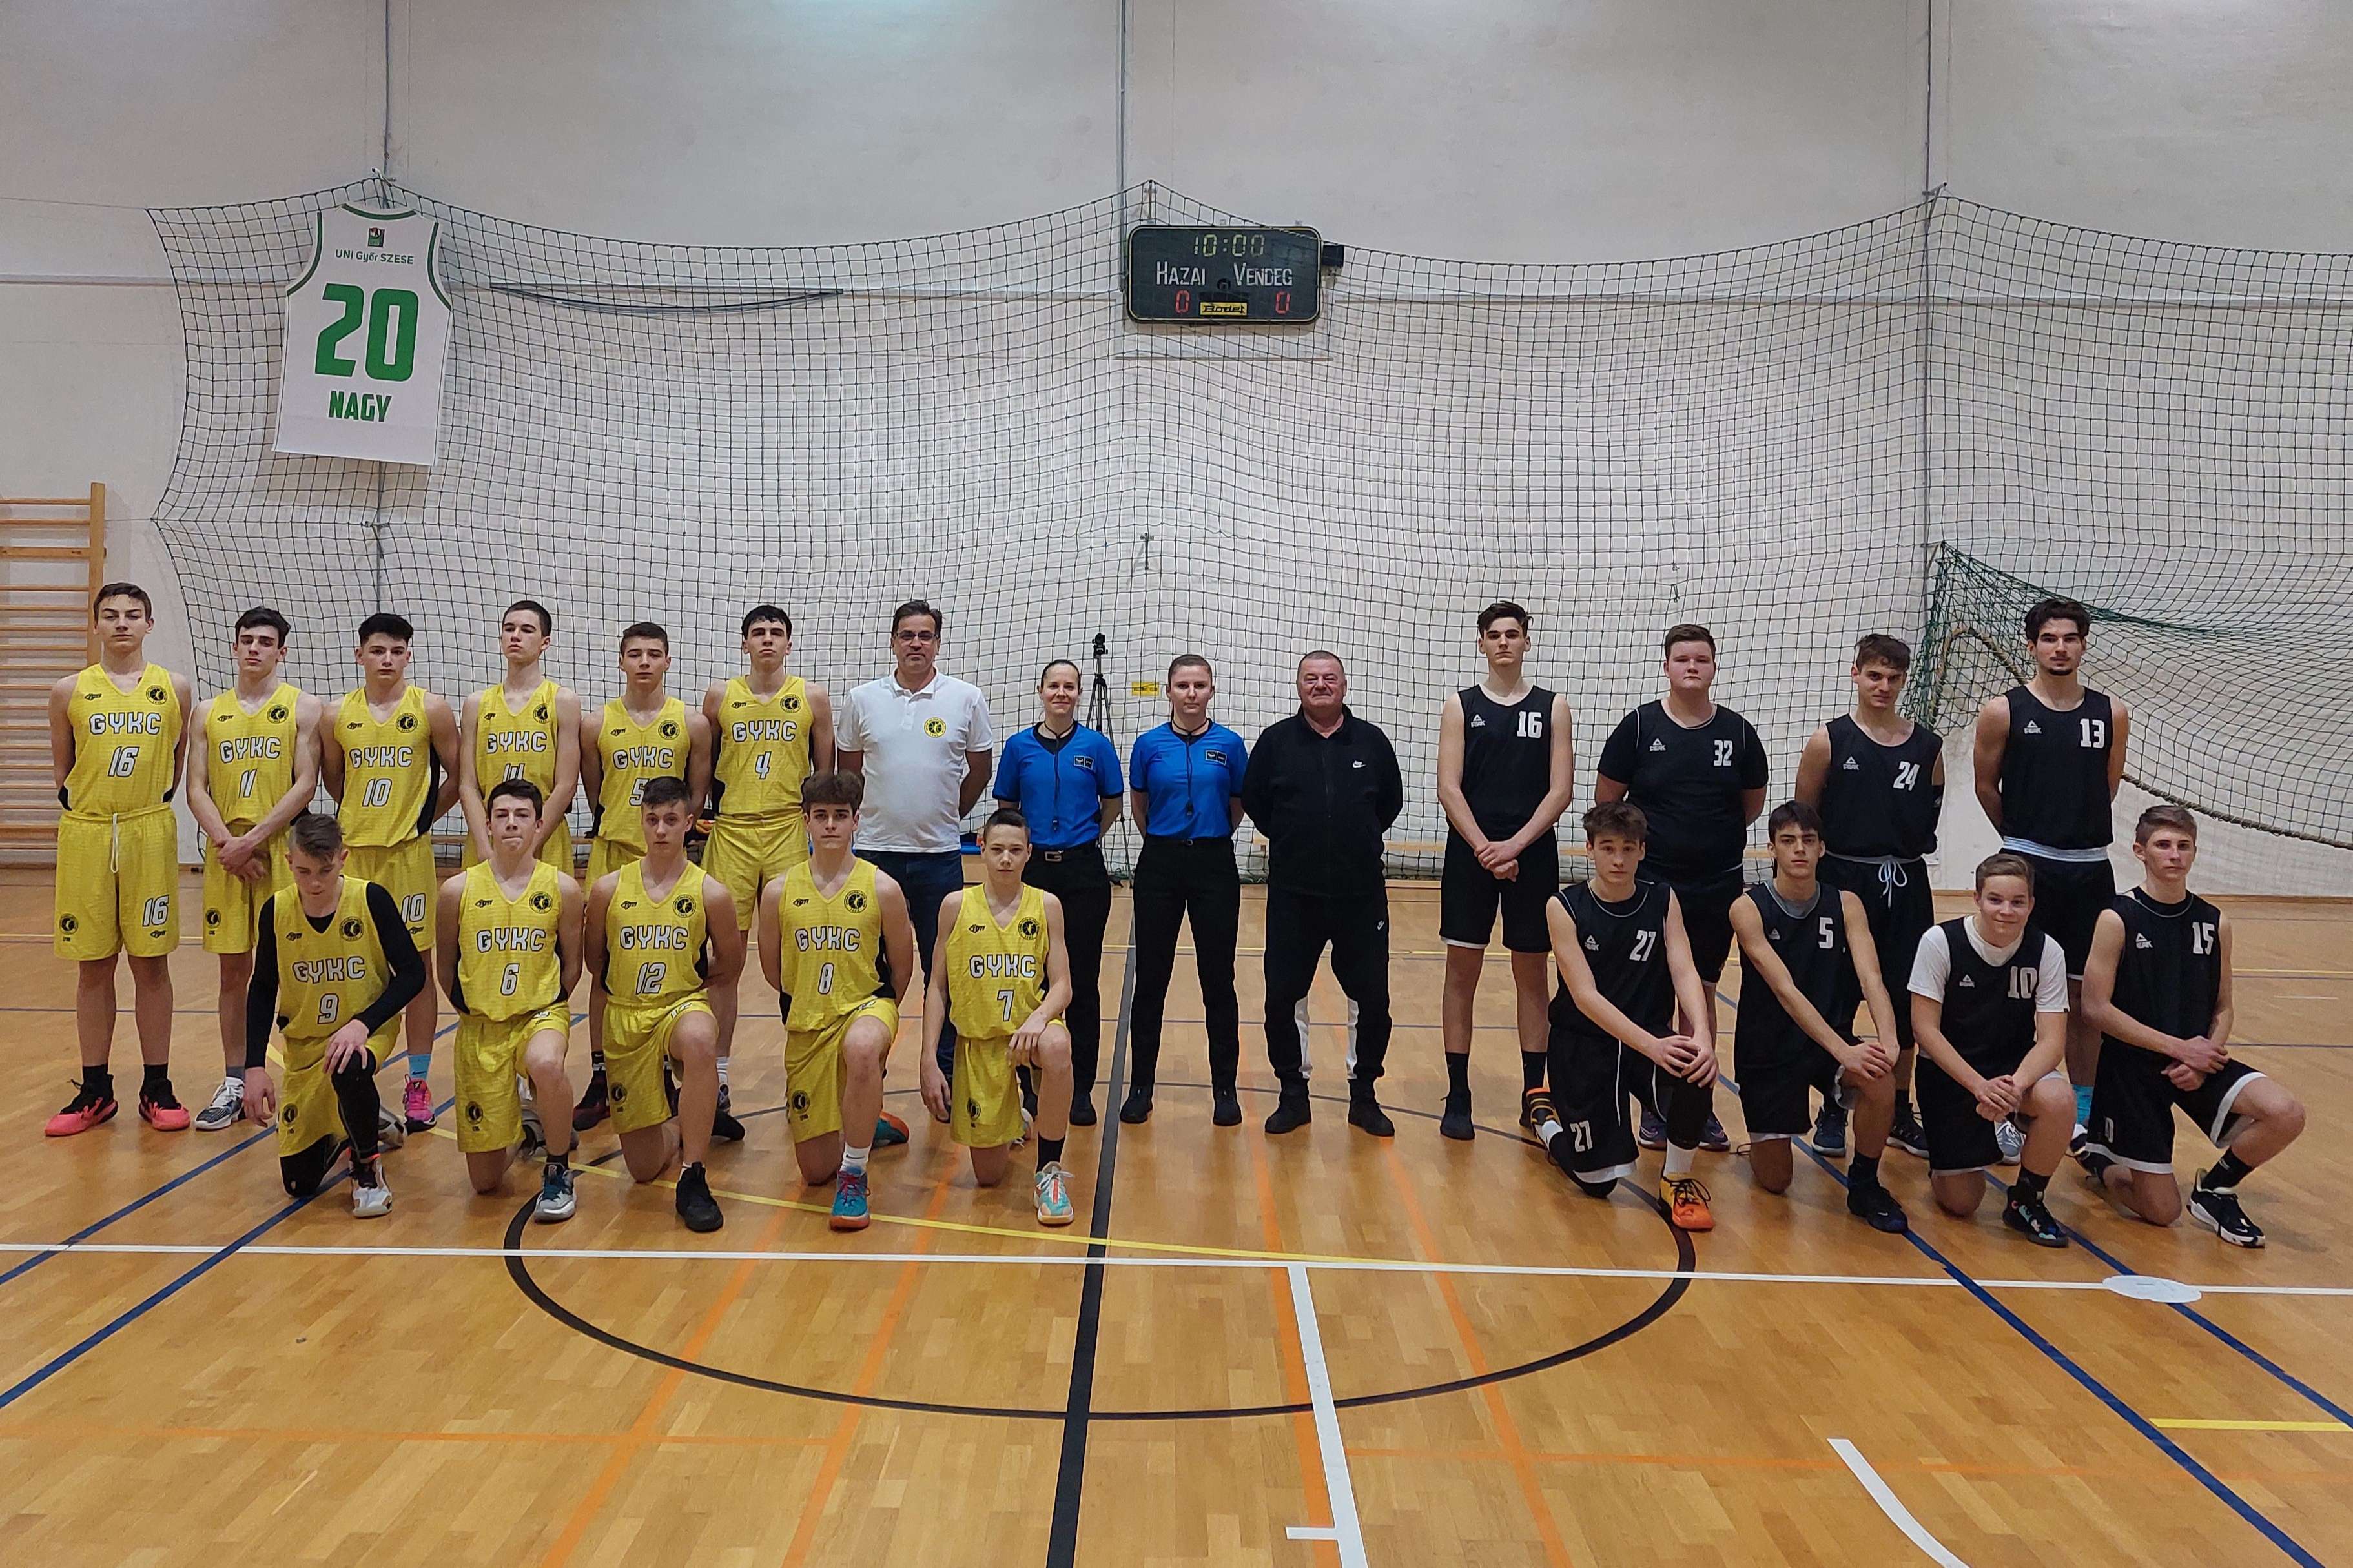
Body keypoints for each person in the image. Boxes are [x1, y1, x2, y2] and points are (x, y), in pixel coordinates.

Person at [2077, 806, 2305, 1247]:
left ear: (2195, 853)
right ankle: (2101, 1162)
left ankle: (2214, 1189)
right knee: (2162, 1212)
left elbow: (2223, 1007)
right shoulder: (2117, 917)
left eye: (2184, 846)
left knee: (2286, 1113)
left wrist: (2204, 1057)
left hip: (2197, 1061)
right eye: (2163, 845)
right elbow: (2095, 1009)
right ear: (2140, 851)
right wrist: (2180, 1049)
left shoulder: (2215, 921)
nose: (2174, 855)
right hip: (2133, 1069)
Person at [1595, 624, 1766, 1155]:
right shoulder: (1639, 727)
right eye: (1683, 659)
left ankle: (1696, 1104)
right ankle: (1653, 1101)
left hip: (1716, 884)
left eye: (1702, 659)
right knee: (1652, 994)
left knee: (1701, 993)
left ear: (1714, 667)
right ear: (1666, 666)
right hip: (1652, 884)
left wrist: (1707, 841)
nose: (1692, 667)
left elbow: (1751, 804)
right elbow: (1608, 802)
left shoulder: (1738, 733)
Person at [1972, 596, 2129, 1131]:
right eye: (2049, 639)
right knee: (2017, 988)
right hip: (2028, 863)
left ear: (2083, 645)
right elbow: (1986, 786)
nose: (2059, 648)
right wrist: (2020, 842)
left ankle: (2083, 1113)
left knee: (2085, 997)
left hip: (2090, 869)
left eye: (2069, 638)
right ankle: (2009, 1103)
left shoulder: (2111, 712)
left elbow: (2106, 786)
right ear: (2031, 645)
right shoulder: (2004, 710)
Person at [46, 582, 196, 1137]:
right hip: (88, 835)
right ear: (96, 625)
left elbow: (177, 760)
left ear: (149, 624)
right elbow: (63, 771)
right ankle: (95, 1089)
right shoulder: (69, 691)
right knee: (93, 965)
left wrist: (145, 807)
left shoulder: (174, 688)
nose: (122, 623)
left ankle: (157, 1085)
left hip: (146, 832)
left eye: (133, 614)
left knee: (151, 964)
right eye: (110, 615)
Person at [1242, 651, 1403, 1137]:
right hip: (1294, 894)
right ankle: (1293, 1094)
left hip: (1361, 895)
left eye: (1329, 678)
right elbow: (1257, 803)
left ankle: (1364, 1095)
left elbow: (1389, 804)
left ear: (1344, 685)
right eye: (1311, 678)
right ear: (1299, 686)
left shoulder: (1372, 742)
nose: (1320, 685)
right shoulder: (1275, 742)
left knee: (1371, 999)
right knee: (1283, 997)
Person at [1793, 633, 1941, 1161]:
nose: (1883, 686)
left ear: (1904, 681)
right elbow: (1804, 817)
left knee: (1906, 998)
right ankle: (1835, 1102)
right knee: (1837, 994)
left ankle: (1899, 1108)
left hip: (1906, 883)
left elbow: (1929, 817)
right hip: (1842, 879)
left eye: (1893, 677)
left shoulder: (1928, 747)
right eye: (1874, 675)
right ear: (1855, 674)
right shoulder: (1828, 741)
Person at [1727, 802, 1908, 1232]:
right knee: (1777, 1181)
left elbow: (1872, 977)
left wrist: (1889, 1040)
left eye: (1808, 841)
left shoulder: (1846, 904)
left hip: (1828, 1042)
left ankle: (1864, 1183)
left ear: (1822, 848)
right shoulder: (1747, 908)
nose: (1799, 850)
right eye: (1788, 841)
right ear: (1771, 849)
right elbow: (1786, 991)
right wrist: (1844, 1050)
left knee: (1881, 1076)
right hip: (1768, 1051)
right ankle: (1759, 1143)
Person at [837, 599, 994, 1085]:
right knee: (868, 968)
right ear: (893, 641)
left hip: (939, 857)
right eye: (907, 635)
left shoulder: (966, 698)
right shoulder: (862, 699)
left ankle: (943, 1071)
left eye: (926, 636)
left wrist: (948, 815)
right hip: (874, 856)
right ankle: (866, 1072)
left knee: (941, 967)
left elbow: (980, 769)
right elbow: (849, 771)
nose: (916, 644)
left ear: (938, 643)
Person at [1435, 600, 1575, 1141]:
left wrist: (1514, 846)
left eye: (1512, 634)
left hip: (1532, 854)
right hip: (1471, 855)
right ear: (1481, 643)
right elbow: (1449, 787)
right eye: (1494, 635)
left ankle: (1534, 1093)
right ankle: (1459, 1093)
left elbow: (1560, 790)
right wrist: (1485, 848)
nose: (1503, 643)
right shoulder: (1460, 705)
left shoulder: (1553, 706)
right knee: (1461, 974)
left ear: (1526, 642)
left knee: (1532, 975)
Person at [182, 608, 324, 1132]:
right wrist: (228, 843)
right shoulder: (207, 712)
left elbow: (306, 783)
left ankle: (308, 1079)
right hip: (227, 854)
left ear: (282, 651)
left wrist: (253, 840)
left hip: (280, 851)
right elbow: (195, 787)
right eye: (247, 640)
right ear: (235, 646)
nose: (255, 649)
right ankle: (235, 1080)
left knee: (295, 967)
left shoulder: (303, 708)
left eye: (266, 642)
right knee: (231, 971)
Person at [757, 771, 919, 1231]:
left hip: (865, 1007)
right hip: (809, 1020)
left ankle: (855, 1173)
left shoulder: (883, 888)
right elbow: (773, 969)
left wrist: (878, 1015)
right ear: (805, 821)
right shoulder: (778, 891)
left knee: (862, 1047)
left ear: (856, 821)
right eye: (822, 815)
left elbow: (902, 969)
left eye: (841, 816)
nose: (831, 825)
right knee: (814, 1171)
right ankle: (866, 1118)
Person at [238, 811, 421, 1215]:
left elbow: (413, 974)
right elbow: (263, 987)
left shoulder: (371, 899)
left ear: (343, 858)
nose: (315, 883)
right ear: (289, 862)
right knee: (298, 1184)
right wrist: (253, 1067)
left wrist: (363, 1023)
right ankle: (360, 1118)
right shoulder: (276, 910)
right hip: (306, 1044)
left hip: (365, 1030)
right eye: (303, 872)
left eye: (325, 870)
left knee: (348, 1065)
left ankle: (367, 1166)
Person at [323, 612, 460, 1131]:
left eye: (396, 651)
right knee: (354, 965)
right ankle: (356, 1078)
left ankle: (418, 1081)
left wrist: (422, 818)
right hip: (355, 858)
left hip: (408, 856)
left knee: (416, 966)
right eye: (377, 650)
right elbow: (336, 780)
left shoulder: (431, 709)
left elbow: (458, 773)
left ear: (408, 655)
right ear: (359, 655)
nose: (387, 659)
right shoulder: (337, 714)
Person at [573, 621, 713, 1132]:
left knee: (674, 964)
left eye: (654, 654)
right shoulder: (596, 724)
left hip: (670, 861)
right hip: (615, 853)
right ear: (621, 661)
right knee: (606, 969)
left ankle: (671, 1072)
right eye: (635, 654)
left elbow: (695, 793)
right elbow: (596, 790)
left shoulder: (692, 723)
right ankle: (601, 1073)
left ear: (668, 661)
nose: (645, 662)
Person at [581, 776, 736, 1232]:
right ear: (642, 822)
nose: (662, 829)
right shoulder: (608, 889)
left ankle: (694, 1174)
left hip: (679, 1005)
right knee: (644, 1168)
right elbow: (596, 962)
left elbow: (729, 962)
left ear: (689, 822)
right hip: (627, 1015)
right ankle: (691, 1120)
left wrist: (689, 980)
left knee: (700, 1038)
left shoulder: (711, 892)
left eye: (671, 819)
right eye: (653, 820)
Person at [701, 604, 832, 1141]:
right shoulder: (719, 697)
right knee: (723, 962)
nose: (768, 640)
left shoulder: (812, 697)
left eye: (777, 632)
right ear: (744, 643)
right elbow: (704, 765)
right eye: (758, 632)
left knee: (799, 958)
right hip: (732, 831)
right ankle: (717, 1078)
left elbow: (825, 774)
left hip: (786, 829)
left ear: (789, 643)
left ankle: (810, 1072)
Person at [921, 806, 1080, 1225]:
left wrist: (1039, 1018)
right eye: (997, 850)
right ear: (981, 848)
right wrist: (927, 1058)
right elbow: (937, 987)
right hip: (979, 1043)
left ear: (1029, 852)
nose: (1006, 858)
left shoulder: (1046, 905)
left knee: (1058, 1044)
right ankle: (1018, 1117)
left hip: (1029, 1037)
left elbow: (1063, 986)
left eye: (1015, 850)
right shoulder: (956, 906)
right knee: (989, 1177)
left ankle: (1049, 1174)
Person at [435, 779, 583, 1223]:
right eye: (502, 815)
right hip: (483, 1026)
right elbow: (446, 968)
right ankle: (528, 1130)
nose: (512, 823)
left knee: (546, 1063)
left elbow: (572, 965)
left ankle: (558, 1169)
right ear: (487, 825)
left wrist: (547, 1003)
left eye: (522, 815)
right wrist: (475, 1007)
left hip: (540, 1015)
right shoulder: (457, 891)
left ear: (539, 825)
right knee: (485, 1182)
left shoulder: (563, 888)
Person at [1907, 853, 2072, 1247]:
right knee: (1962, 1202)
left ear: (2031, 904)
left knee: (2059, 1099)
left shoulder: (2047, 950)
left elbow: (2052, 1041)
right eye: (1996, 899)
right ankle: (1958, 1151)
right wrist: (1979, 1087)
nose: (2006, 911)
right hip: (1952, 1075)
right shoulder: (1940, 942)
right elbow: (1925, 1031)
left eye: (2018, 902)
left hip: (2012, 1072)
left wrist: (2015, 1087)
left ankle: (2026, 1200)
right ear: (1977, 898)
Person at [991, 660, 1121, 1125]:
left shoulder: (1096, 746)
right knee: (1029, 979)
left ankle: (1080, 1088)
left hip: (1083, 872)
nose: (1061, 693)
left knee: (1081, 981)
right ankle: (1028, 1089)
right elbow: (1007, 807)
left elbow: (1113, 802)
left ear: (1079, 693)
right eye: (1054, 686)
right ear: (1040, 691)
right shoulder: (1018, 747)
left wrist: (1083, 838)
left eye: (1069, 686)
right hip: (1033, 872)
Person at [1124, 655, 1249, 1125]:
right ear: (1169, 692)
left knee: (1218, 979)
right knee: (1151, 979)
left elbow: (1237, 803)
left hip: (1214, 865)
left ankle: (1225, 1090)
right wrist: (1166, 841)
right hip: (1160, 863)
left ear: (1211, 691)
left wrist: (1208, 838)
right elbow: (1140, 803)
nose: (1191, 693)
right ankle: (1141, 1087)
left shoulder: (1230, 744)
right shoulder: (1148, 745)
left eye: (1199, 685)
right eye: (1182, 685)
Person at [457, 598, 581, 870]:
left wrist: (531, 845)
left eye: (527, 630)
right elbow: (467, 784)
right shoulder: (476, 704)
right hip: (489, 839)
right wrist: (485, 846)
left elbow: (566, 785)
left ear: (545, 642)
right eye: (509, 628)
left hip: (545, 839)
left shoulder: (563, 701)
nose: (516, 636)